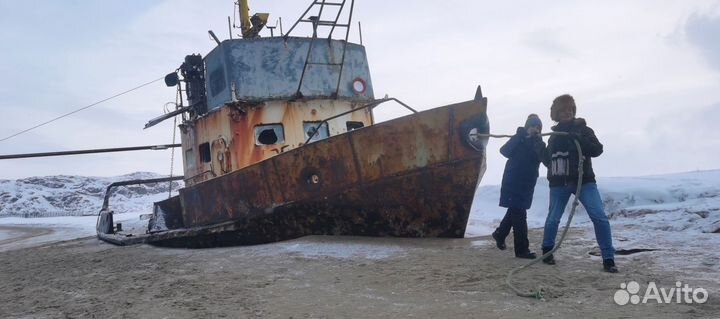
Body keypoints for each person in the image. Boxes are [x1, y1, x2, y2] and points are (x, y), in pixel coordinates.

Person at [541, 94, 618, 273]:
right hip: (559, 183)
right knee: (553, 218)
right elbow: (547, 161)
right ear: (556, 114)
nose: (567, 112)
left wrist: (579, 138)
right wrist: (538, 144)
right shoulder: (553, 136)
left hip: (584, 181)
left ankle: (608, 258)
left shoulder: (584, 130)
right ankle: (547, 251)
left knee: (599, 216)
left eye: (570, 109)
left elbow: (597, 150)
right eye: (563, 110)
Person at [492, 114, 545, 259]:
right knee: (520, 214)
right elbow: (504, 151)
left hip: (527, 184)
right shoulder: (518, 140)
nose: (535, 129)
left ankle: (500, 233)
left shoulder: (538, 143)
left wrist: (538, 141)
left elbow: (543, 158)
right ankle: (522, 250)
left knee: (515, 211)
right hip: (513, 181)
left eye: (538, 127)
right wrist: (518, 136)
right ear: (526, 127)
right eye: (532, 126)